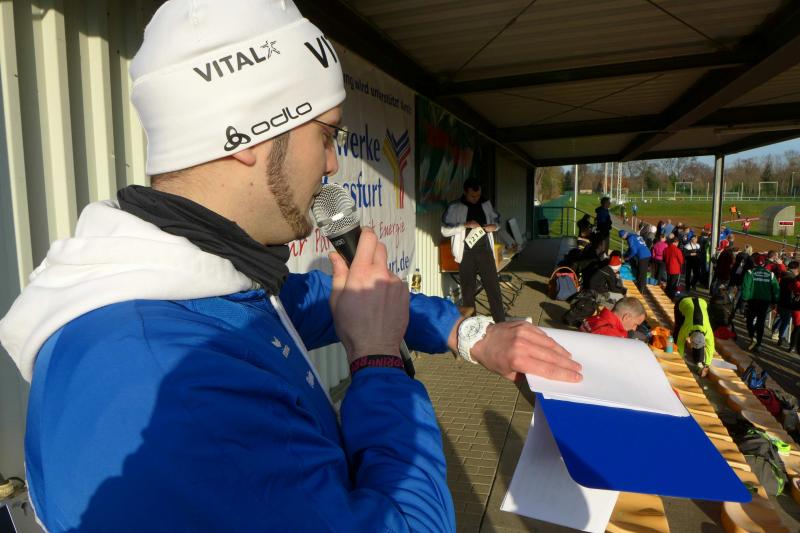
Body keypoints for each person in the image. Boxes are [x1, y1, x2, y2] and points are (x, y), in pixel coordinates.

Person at [0, 3, 583, 530]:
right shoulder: (172, 394)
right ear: (246, 131)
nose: (331, 164)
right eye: (326, 135)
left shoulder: (189, 283)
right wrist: (378, 362)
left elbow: (323, 299)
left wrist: (469, 333)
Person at [442, 178, 506, 323]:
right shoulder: (455, 206)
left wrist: (494, 227)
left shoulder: (486, 203)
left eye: (478, 195)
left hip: (485, 251)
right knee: (468, 292)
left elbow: (498, 221)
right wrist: (465, 225)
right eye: (472, 196)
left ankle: (501, 323)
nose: (476, 198)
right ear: (465, 192)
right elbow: (444, 230)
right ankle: (471, 324)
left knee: (493, 289)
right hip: (465, 253)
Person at [742, 253, 780, 352]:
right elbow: (776, 290)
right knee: (761, 322)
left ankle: (752, 336)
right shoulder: (771, 274)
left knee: (749, 320)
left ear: (755, 263)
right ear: (764, 264)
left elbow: (746, 287)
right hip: (765, 302)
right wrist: (775, 301)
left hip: (752, 301)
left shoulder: (750, 272)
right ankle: (759, 344)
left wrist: (745, 299)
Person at [674, 296, 714, 377]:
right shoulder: (686, 328)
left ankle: (698, 361)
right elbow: (680, 341)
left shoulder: (708, 332)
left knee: (698, 345)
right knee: (678, 328)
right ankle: (675, 349)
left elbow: (710, 347)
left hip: (702, 302)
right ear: (691, 338)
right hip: (683, 302)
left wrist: (706, 365)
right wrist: (680, 357)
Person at [579, 297, 646, 338]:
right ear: (627, 317)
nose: (634, 329)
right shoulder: (611, 335)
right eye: (635, 324)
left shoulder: (598, 318)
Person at [772, 261, 799, 348]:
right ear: (795, 269)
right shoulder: (792, 278)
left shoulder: (784, 275)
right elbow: (793, 291)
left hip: (781, 300)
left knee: (782, 318)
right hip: (788, 302)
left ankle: (776, 331)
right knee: (786, 320)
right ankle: (780, 336)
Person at [620, 229, 651, 294]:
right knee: (641, 272)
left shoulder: (630, 238)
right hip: (646, 254)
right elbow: (631, 248)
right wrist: (626, 254)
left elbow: (634, 251)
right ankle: (641, 287)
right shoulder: (635, 235)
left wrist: (627, 258)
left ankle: (641, 290)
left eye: (622, 237)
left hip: (643, 256)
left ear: (623, 236)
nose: (623, 239)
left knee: (641, 273)